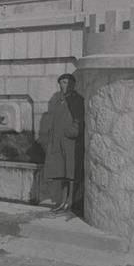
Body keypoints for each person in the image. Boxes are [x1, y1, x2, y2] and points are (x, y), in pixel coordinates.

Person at [41, 73, 84, 212]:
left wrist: (72, 132)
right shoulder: (59, 99)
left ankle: (70, 201)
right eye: (62, 82)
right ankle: (62, 200)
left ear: (73, 84)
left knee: (71, 172)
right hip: (59, 141)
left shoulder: (77, 99)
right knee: (62, 171)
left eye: (67, 82)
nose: (65, 85)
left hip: (71, 142)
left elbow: (78, 120)